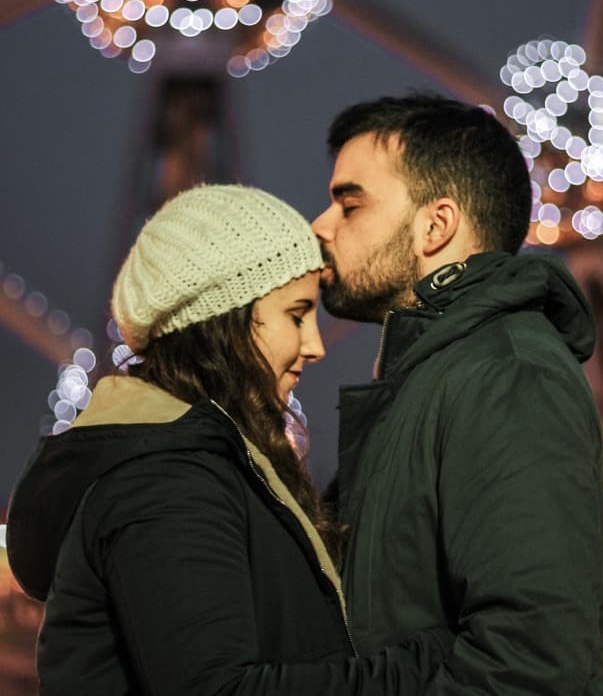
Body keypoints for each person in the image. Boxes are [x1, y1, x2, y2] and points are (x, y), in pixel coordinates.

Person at [7, 184, 450, 695]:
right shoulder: (166, 479)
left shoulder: (197, 464)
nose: (315, 346)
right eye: (297, 314)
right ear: (224, 322)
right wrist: (429, 666)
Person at [312, 94, 603, 695]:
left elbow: (531, 661)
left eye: (350, 204)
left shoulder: (508, 377)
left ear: (436, 225)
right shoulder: (431, 382)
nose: (321, 224)